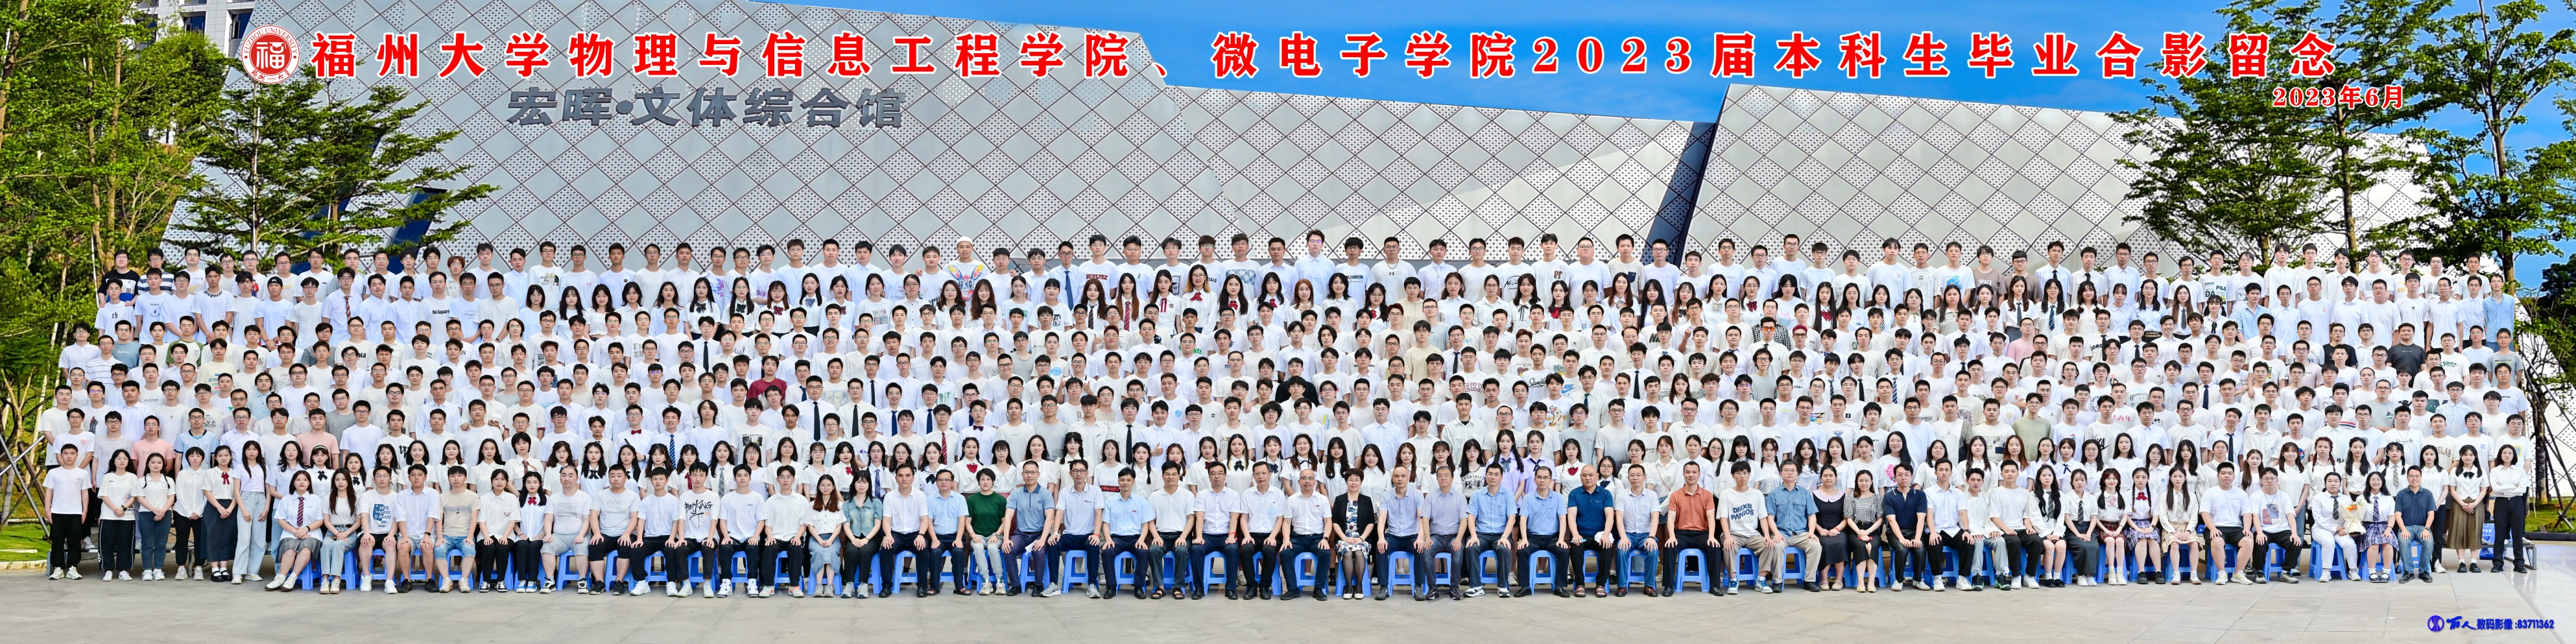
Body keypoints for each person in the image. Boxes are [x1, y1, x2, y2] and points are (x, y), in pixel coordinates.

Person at [44, 444, 91, 580]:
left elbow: (85, 493)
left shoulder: (82, 473)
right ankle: (58, 569)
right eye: (66, 453)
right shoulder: (53, 473)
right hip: (57, 511)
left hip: (75, 512)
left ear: (77, 455)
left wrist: (85, 510)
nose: (69, 456)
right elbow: (49, 491)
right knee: (57, 540)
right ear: (61, 455)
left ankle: (72, 568)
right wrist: (47, 509)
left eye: (72, 453)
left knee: (74, 541)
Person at [1327, 468, 1376, 599]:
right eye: (1351, 480)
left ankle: (1359, 586)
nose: (1354, 483)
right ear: (1346, 482)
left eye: (1357, 480)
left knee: (1359, 552)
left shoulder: (1367, 500)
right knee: (1348, 553)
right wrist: (1344, 538)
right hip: (1344, 538)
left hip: (1362, 538)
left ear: (1361, 482)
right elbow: (1335, 522)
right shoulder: (1339, 500)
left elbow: (1371, 522)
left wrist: (1362, 538)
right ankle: (1348, 586)